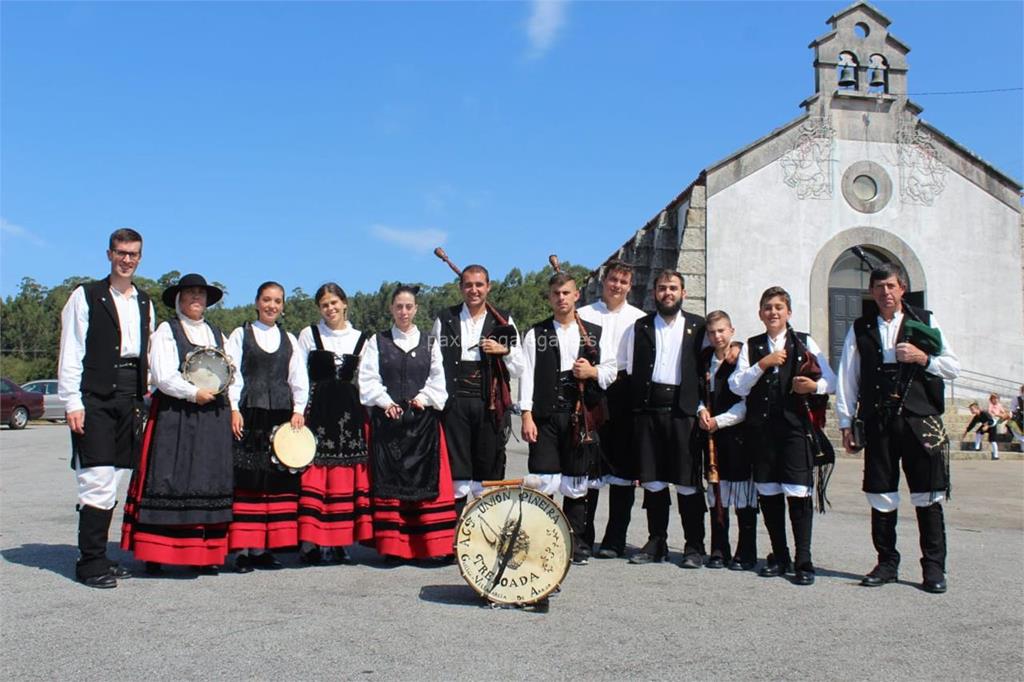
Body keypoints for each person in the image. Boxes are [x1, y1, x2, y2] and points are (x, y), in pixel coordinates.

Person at [835, 263, 960, 594]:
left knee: (927, 493)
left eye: (890, 286)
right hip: (879, 420)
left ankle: (933, 568)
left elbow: (953, 366)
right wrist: (846, 422)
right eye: (878, 287)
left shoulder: (924, 321)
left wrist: (922, 357)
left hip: (919, 420)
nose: (885, 292)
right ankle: (887, 563)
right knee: (881, 492)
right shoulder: (860, 327)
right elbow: (849, 375)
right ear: (872, 292)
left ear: (902, 288)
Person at [58, 228, 155, 588]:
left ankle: (100, 555)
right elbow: (72, 351)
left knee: (115, 479)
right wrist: (72, 401)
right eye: (120, 253)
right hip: (95, 396)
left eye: (133, 254)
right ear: (109, 254)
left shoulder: (145, 301)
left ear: (140, 257)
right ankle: (89, 562)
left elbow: (146, 353)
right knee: (95, 478)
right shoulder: (86, 296)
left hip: (130, 399)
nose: (126, 259)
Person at [120, 274, 234, 573]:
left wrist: (231, 403)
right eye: (190, 294)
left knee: (207, 479)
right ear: (179, 299)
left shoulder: (217, 333)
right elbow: (162, 375)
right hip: (178, 414)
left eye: (201, 294)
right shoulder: (167, 331)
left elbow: (231, 372)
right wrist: (192, 392)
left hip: (213, 416)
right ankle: (158, 552)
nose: (196, 298)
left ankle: (205, 554)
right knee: (172, 475)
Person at [729, 286, 835, 586]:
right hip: (761, 430)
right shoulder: (752, 346)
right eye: (767, 307)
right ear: (760, 313)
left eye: (778, 307)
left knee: (798, 494)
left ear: (788, 312)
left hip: (794, 429)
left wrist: (813, 388)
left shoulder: (804, 342)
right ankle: (780, 554)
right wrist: (763, 364)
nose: (773, 312)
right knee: (770, 493)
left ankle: (804, 560)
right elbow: (737, 386)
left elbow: (832, 379)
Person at [520, 271, 616, 565]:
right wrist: (526, 415)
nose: (561, 298)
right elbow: (527, 375)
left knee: (576, 482)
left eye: (567, 293)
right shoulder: (536, 333)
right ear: (549, 297)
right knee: (544, 480)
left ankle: (575, 543)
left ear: (577, 296)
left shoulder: (595, 332)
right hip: (545, 416)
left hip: (580, 417)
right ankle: (541, 540)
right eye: (556, 293)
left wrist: (593, 372)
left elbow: (611, 371)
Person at [358, 284, 456, 560]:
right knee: (391, 483)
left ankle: (429, 547)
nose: (403, 311)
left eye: (408, 306)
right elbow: (368, 378)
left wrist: (424, 398)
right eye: (399, 306)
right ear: (391, 309)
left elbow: (438, 380)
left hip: (422, 425)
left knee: (426, 484)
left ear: (416, 309)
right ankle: (394, 548)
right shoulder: (377, 341)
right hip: (389, 424)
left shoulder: (429, 342)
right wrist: (385, 401)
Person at [618, 270, 707, 569]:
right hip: (648, 411)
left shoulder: (699, 326)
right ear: (654, 292)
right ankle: (657, 541)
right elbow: (628, 369)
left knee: (687, 482)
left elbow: (710, 368)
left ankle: (695, 546)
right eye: (661, 288)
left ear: (683, 292)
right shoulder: (639, 327)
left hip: (684, 412)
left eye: (673, 288)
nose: (667, 293)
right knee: (653, 481)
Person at [226, 282, 309, 572]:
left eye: (277, 301)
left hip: (281, 416)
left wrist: (299, 409)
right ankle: (241, 550)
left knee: (274, 483)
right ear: (257, 302)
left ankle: (263, 548)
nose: (272, 305)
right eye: (267, 300)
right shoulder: (241, 334)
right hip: (249, 414)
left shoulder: (289, 339)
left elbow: (299, 378)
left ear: (283, 305)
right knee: (247, 482)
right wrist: (233, 408)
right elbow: (232, 374)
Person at [430, 264, 524, 520]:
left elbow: (519, 366)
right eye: (468, 285)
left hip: (489, 403)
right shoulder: (445, 318)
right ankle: (452, 536)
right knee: (456, 468)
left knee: (488, 468)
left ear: (488, 287)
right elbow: (434, 363)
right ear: (461, 288)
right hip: (455, 404)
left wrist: (503, 350)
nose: (474, 290)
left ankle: (486, 534)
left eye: (479, 284)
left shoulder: (503, 319)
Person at [295, 283, 374, 564]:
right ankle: (311, 543)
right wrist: (298, 408)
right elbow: (299, 376)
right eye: (325, 304)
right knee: (316, 476)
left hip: (349, 415)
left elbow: (367, 381)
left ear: (345, 303)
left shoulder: (362, 339)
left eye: (334, 303)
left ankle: (340, 541)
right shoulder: (309, 334)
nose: (330, 308)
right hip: (317, 411)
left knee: (344, 478)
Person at [576, 260, 646, 559]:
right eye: (613, 279)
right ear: (604, 281)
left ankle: (615, 538)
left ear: (630, 286)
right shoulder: (584, 314)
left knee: (621, 470)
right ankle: (583, 535)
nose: (617, 285)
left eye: (623, 281)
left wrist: (601, 372)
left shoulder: (639, 319)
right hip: (589, 395)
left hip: (622, 394)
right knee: (589, 465)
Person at [697, 310, 757, 570]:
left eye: (721, 330)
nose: (717, 336)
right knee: (716, 494)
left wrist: (719, 421)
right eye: (712, 332)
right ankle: (719, 549)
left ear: (731, 331)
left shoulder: (742, 357)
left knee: (743, 496)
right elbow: (696, 392)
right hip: (711, 440)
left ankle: (746, 551)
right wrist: (701, 411)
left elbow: (746, 403)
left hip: (738, 437)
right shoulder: (704, 359)